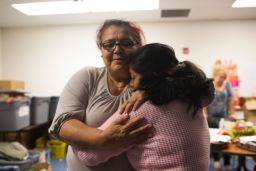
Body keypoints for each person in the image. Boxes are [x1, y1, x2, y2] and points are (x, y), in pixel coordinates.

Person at [72, 43, 214, 170]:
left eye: (133, 78)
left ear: (151, 77)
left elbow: (88, 156)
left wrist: (75, 134)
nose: (131, 85)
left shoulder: (142, 109)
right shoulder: (191, 98)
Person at [48, 19, 153, 171]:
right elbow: (62, 124)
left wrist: (150, 89)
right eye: (109, 44)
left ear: (139, 47)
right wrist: (102, 139)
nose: (117, 50)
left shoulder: (152, 82)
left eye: (126, 43)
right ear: (101, 51)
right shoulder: (87, 77)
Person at [205, 66, 236, 171]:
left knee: (226, 139)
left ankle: (227, 163)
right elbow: (205, 100)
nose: (222, 79)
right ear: (215, 75)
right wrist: (204, 114)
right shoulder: (209, 85)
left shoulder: (227, 85)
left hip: (224, 117)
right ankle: (217, 160)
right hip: (212, 117)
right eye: (220, 77)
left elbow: (232, 100)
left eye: (224, 77)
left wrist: (232, 113)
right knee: (214, 140)